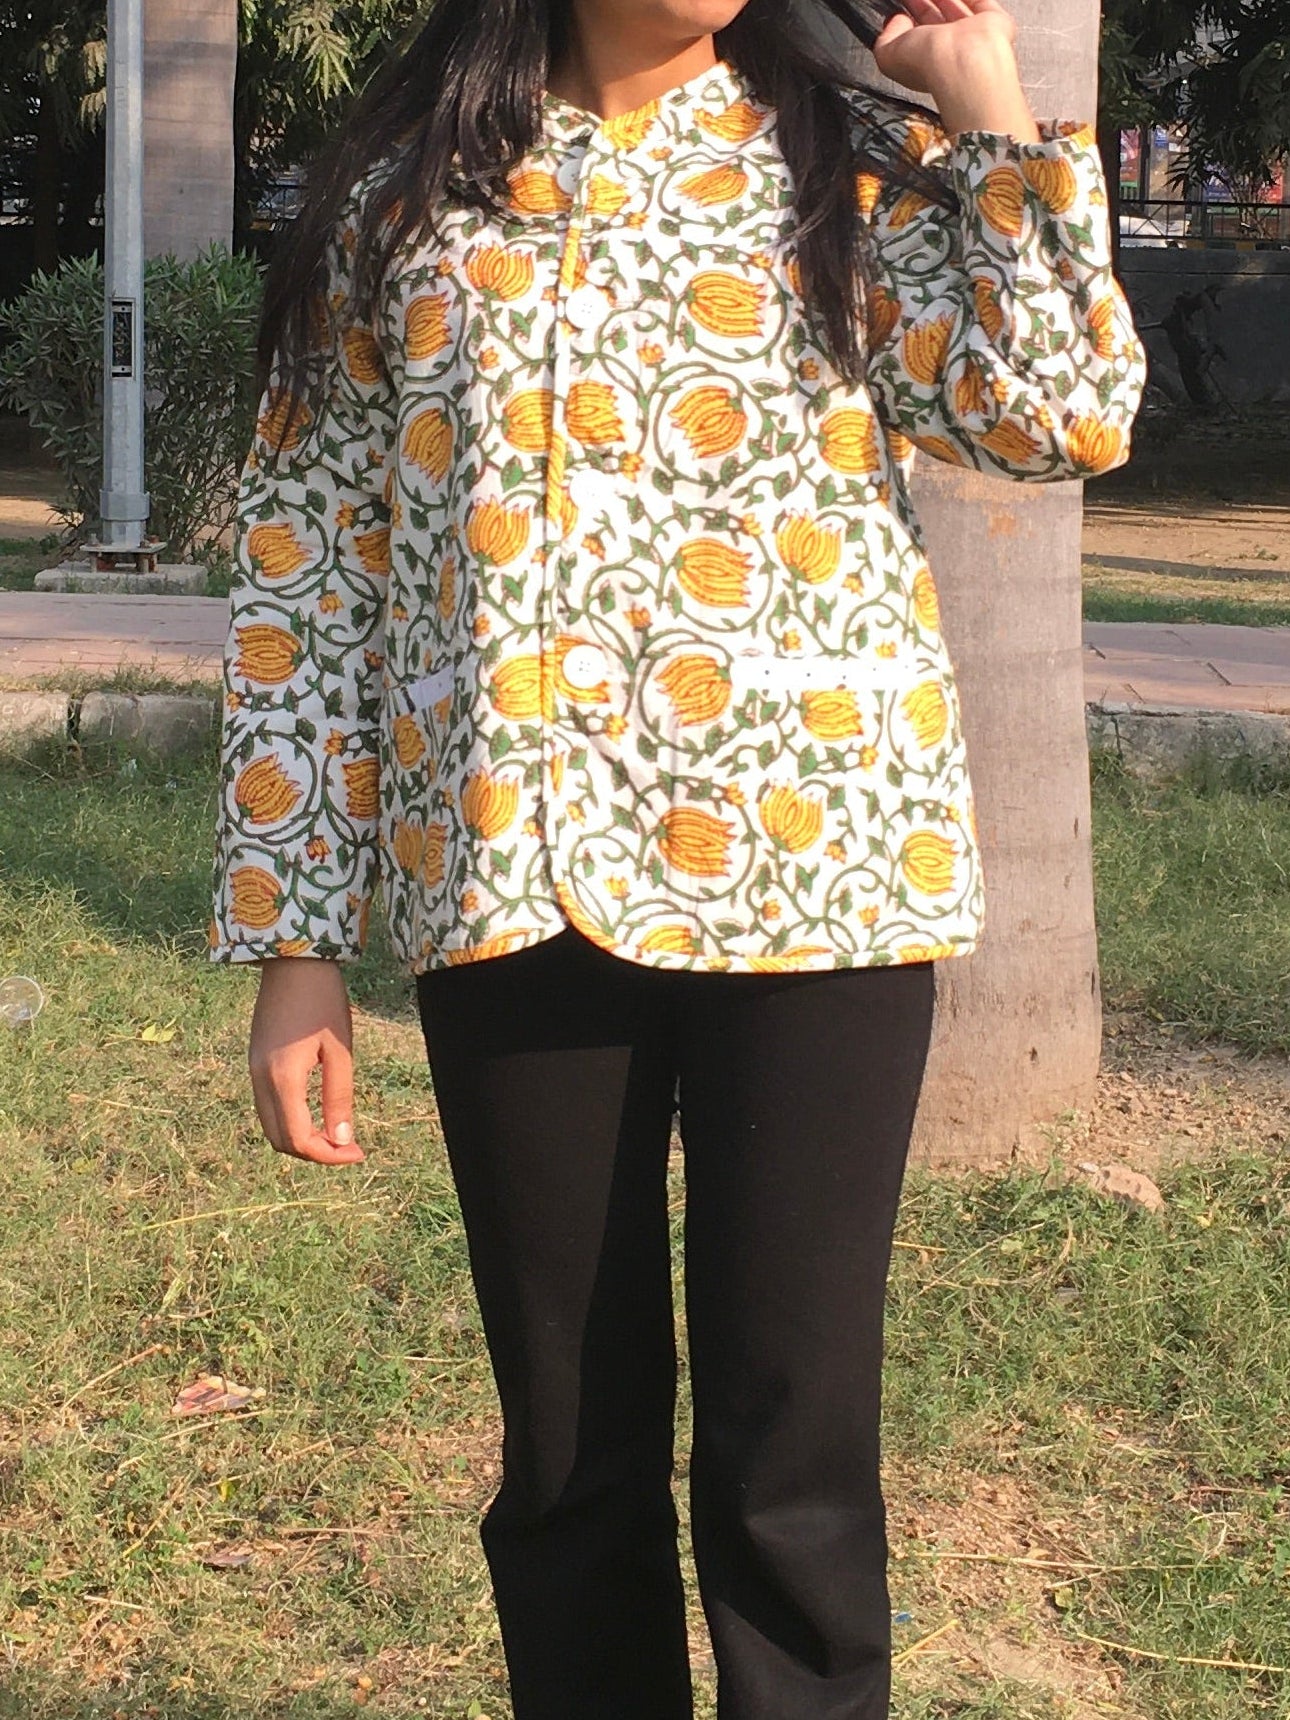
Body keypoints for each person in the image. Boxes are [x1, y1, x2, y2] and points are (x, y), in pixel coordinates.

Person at [211, 0, 1146, 1714]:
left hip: (822, 887)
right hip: (515, 882)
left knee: (793, 1465)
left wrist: (994, 119)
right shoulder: (401, 202)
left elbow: (1062, 420)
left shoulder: (848, 170)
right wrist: (296, 940)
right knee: (568, 1463)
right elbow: (309, 574)